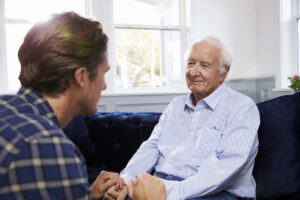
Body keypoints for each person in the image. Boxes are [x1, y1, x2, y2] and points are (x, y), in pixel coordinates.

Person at [0, 11, 163, 200]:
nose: (104, 85)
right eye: (104, 72)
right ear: (82, 77)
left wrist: (87, 195)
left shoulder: (6, 110)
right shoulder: (45, 146)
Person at [115, 37, 260, 200]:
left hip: (214, 192)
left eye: (204, 65)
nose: (193, 72)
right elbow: (152, 147)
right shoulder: (175, 105)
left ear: (224, 72)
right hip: (162, 185)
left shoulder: (241, 107)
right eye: (191, 63)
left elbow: (226, 167)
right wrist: (124, 181)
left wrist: (166, 192)